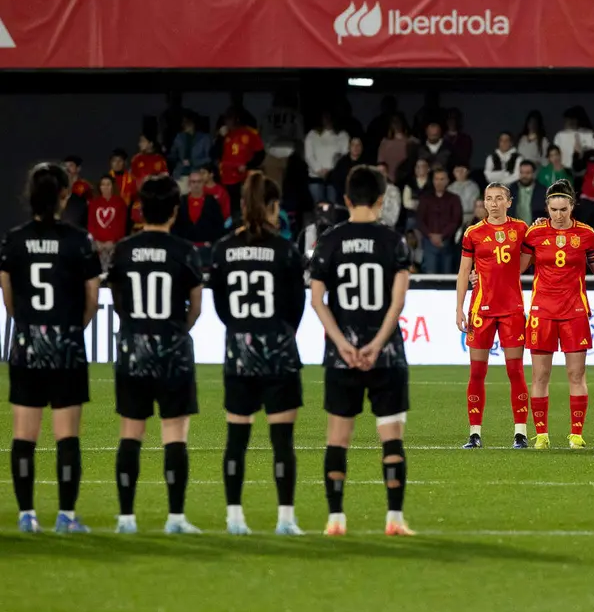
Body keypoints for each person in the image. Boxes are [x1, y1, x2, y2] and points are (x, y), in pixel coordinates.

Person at [309, 166, 414, 536]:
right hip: (385, 354)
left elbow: (317, 301)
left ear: (346, 199)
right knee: (391, 436)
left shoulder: (329, 240)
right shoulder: (394, 241)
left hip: (342, 356)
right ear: (383, 199)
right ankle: (395, 519)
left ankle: (335, 519)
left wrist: (342, 344)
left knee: (338, 438)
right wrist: (375, 344)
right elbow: (397, 304)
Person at [2, 164, 101, 534]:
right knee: (67, 435)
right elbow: (92, 297)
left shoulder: (14, 239)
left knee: (24, 435)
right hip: (66, 344)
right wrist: (73, 328)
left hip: (27, 343)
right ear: (64, 195)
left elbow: (7, 296)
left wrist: (28, 325)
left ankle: (27, 514)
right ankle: (66, 516)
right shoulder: (79, 240)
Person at [208, 172, 307, 535]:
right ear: (271, 207)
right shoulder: (285, 251)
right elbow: (297, 305)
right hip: (278, 351)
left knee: (237, 439)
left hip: (238, 352)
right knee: (282, 442)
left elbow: (220, 306)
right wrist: (280, 335)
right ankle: (285, 519)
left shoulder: (222, 249)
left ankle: (234, 517)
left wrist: (240, 331)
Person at [106, 175, 204, 535]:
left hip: (134, 349)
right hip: (173, 349)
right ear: (174, 212)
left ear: (139, 209)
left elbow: (117, 300)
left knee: (131, 433)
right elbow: (195, 307)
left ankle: (126, 518)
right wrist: (177, 332)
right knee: (175, 434)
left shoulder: (124, 250)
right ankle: (176, 518)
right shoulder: (184, 251)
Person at [520, 180, 594, 449]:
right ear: (546, 207)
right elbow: (517, 269)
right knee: (539, 376)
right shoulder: (534, 234)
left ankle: (576, 434)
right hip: (542, 312)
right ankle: (542, 435)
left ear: (572, 206)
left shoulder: (586, 235)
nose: (558, 215)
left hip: (575, 312)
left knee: (576, 375)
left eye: (563, 209)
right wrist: (484, 276)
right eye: (554, 209)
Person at [455, 184, 531, 449]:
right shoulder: (473, 233)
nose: (494, 203)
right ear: (484, 203)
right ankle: (474, 433)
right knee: (477, 372)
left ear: (509, 202)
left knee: (515, 370)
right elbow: (464, 272)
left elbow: (525, 263)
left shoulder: (522, 229)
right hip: (481, 311)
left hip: (511, 310)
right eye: (489, 199)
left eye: (499, 198)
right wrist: (459, 308)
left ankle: (520, 433)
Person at [88, 174, 128, 267]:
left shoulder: (120, 202)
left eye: (108, 184)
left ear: (112, 186)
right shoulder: (94, 203)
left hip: (114, 244)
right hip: (97, 244)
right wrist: (96, 241)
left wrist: (113, 241)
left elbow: (121, 225)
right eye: (103, 184)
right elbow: (91, 224)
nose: (105, 187)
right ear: (99, 187)